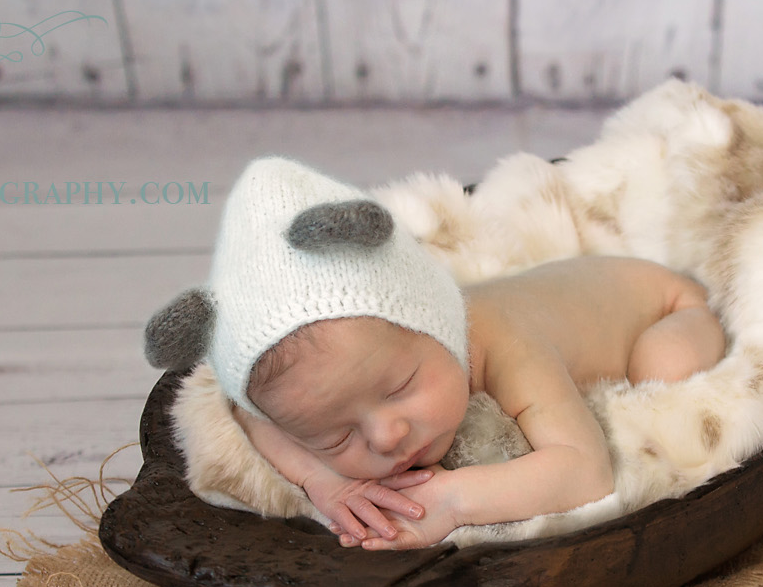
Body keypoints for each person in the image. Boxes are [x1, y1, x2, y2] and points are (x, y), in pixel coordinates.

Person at [143, 157, 725, 550]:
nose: (388, 438)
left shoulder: (508, 348)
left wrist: (451, 500)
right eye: (336, 436)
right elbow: (249, 412)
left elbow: (585, 470)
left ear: (438, 326)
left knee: (663, 377)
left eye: (400, 388)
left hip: (662, 304)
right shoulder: (362, 367)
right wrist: (325, 483)